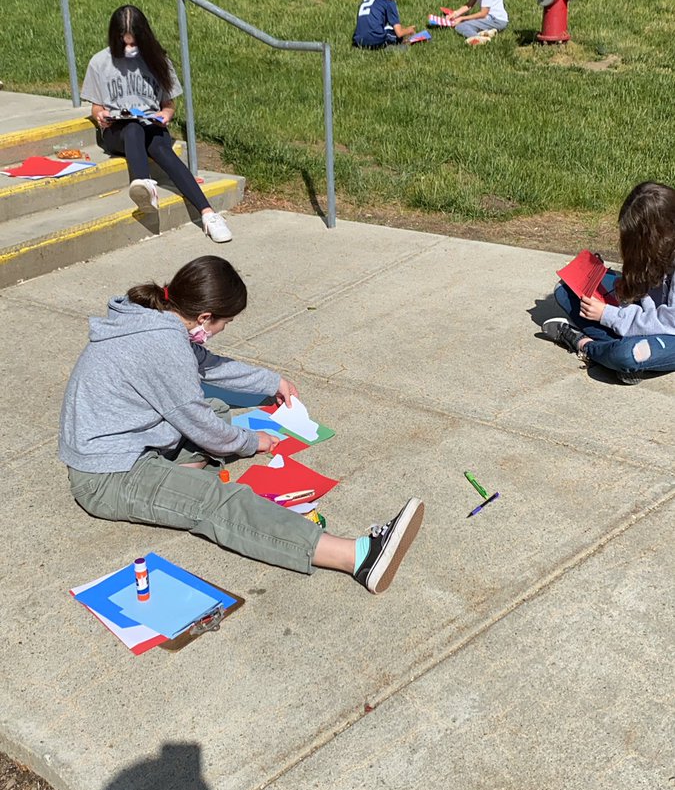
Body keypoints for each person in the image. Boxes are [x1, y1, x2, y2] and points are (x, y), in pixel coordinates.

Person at [59, 254, 425, 593]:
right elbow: (203, 428)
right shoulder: (164, 346)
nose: (223, 329)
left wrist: (271, 382)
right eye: (225, 322)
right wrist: (255, 442)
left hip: (129, 447)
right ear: (204, 317)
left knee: (216, 404)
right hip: (108, 476)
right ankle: (358, 557)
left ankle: (182, 477)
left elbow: (209, 365)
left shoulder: (153, 318)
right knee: (219, 502)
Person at [81, 5, 233, 243]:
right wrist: (100, 115)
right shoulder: (100, 62)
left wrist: (166, 114)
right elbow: (96, 106)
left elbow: (169, 104)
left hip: (151, 126)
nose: (129, 49)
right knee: (132, 129)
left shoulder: (157, 59)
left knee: (161, 148)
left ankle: (208, 214)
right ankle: (143, 185)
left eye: (134, 44)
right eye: (124, 44)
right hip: (117, 131)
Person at [542, 181, 675, 386]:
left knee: (628, 354)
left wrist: (607, 315)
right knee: (565, 290)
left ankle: (585, 344)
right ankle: (615, 353)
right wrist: (601, 278)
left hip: (669, 335)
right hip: (644, 318)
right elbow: (647, 297)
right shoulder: (662, 252)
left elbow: (668, 324)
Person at [352, 0, 417, 50]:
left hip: (358, 40)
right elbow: (399, 33)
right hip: (375, 39)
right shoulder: (388, 2)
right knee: (397, 35)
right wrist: (409, 30)